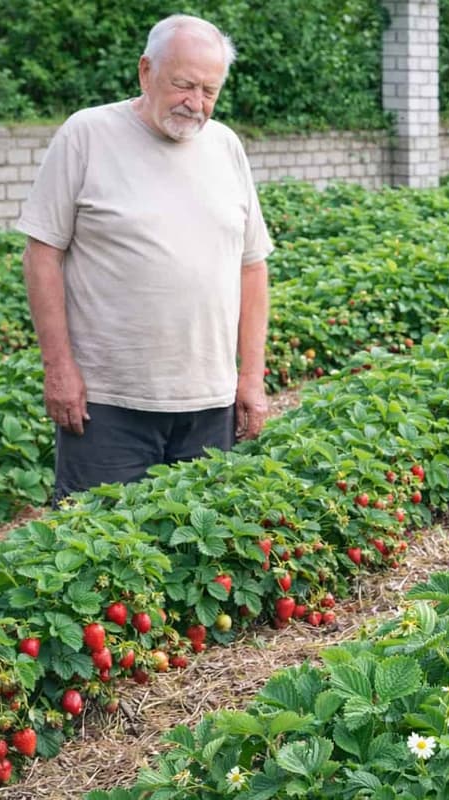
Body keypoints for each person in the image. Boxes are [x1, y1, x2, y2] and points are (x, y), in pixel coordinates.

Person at [18, 14, 273, 503]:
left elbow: (252, 267)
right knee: (96, 553)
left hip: (208, 404)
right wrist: (59, 368)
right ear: (145, 71)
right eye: (183, 85)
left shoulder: (226, 147)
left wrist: (251, 379)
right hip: (106, 403)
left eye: (209, 91)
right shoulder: (86, 135)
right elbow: (42, 255)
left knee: (195, 559)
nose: (195, 103)